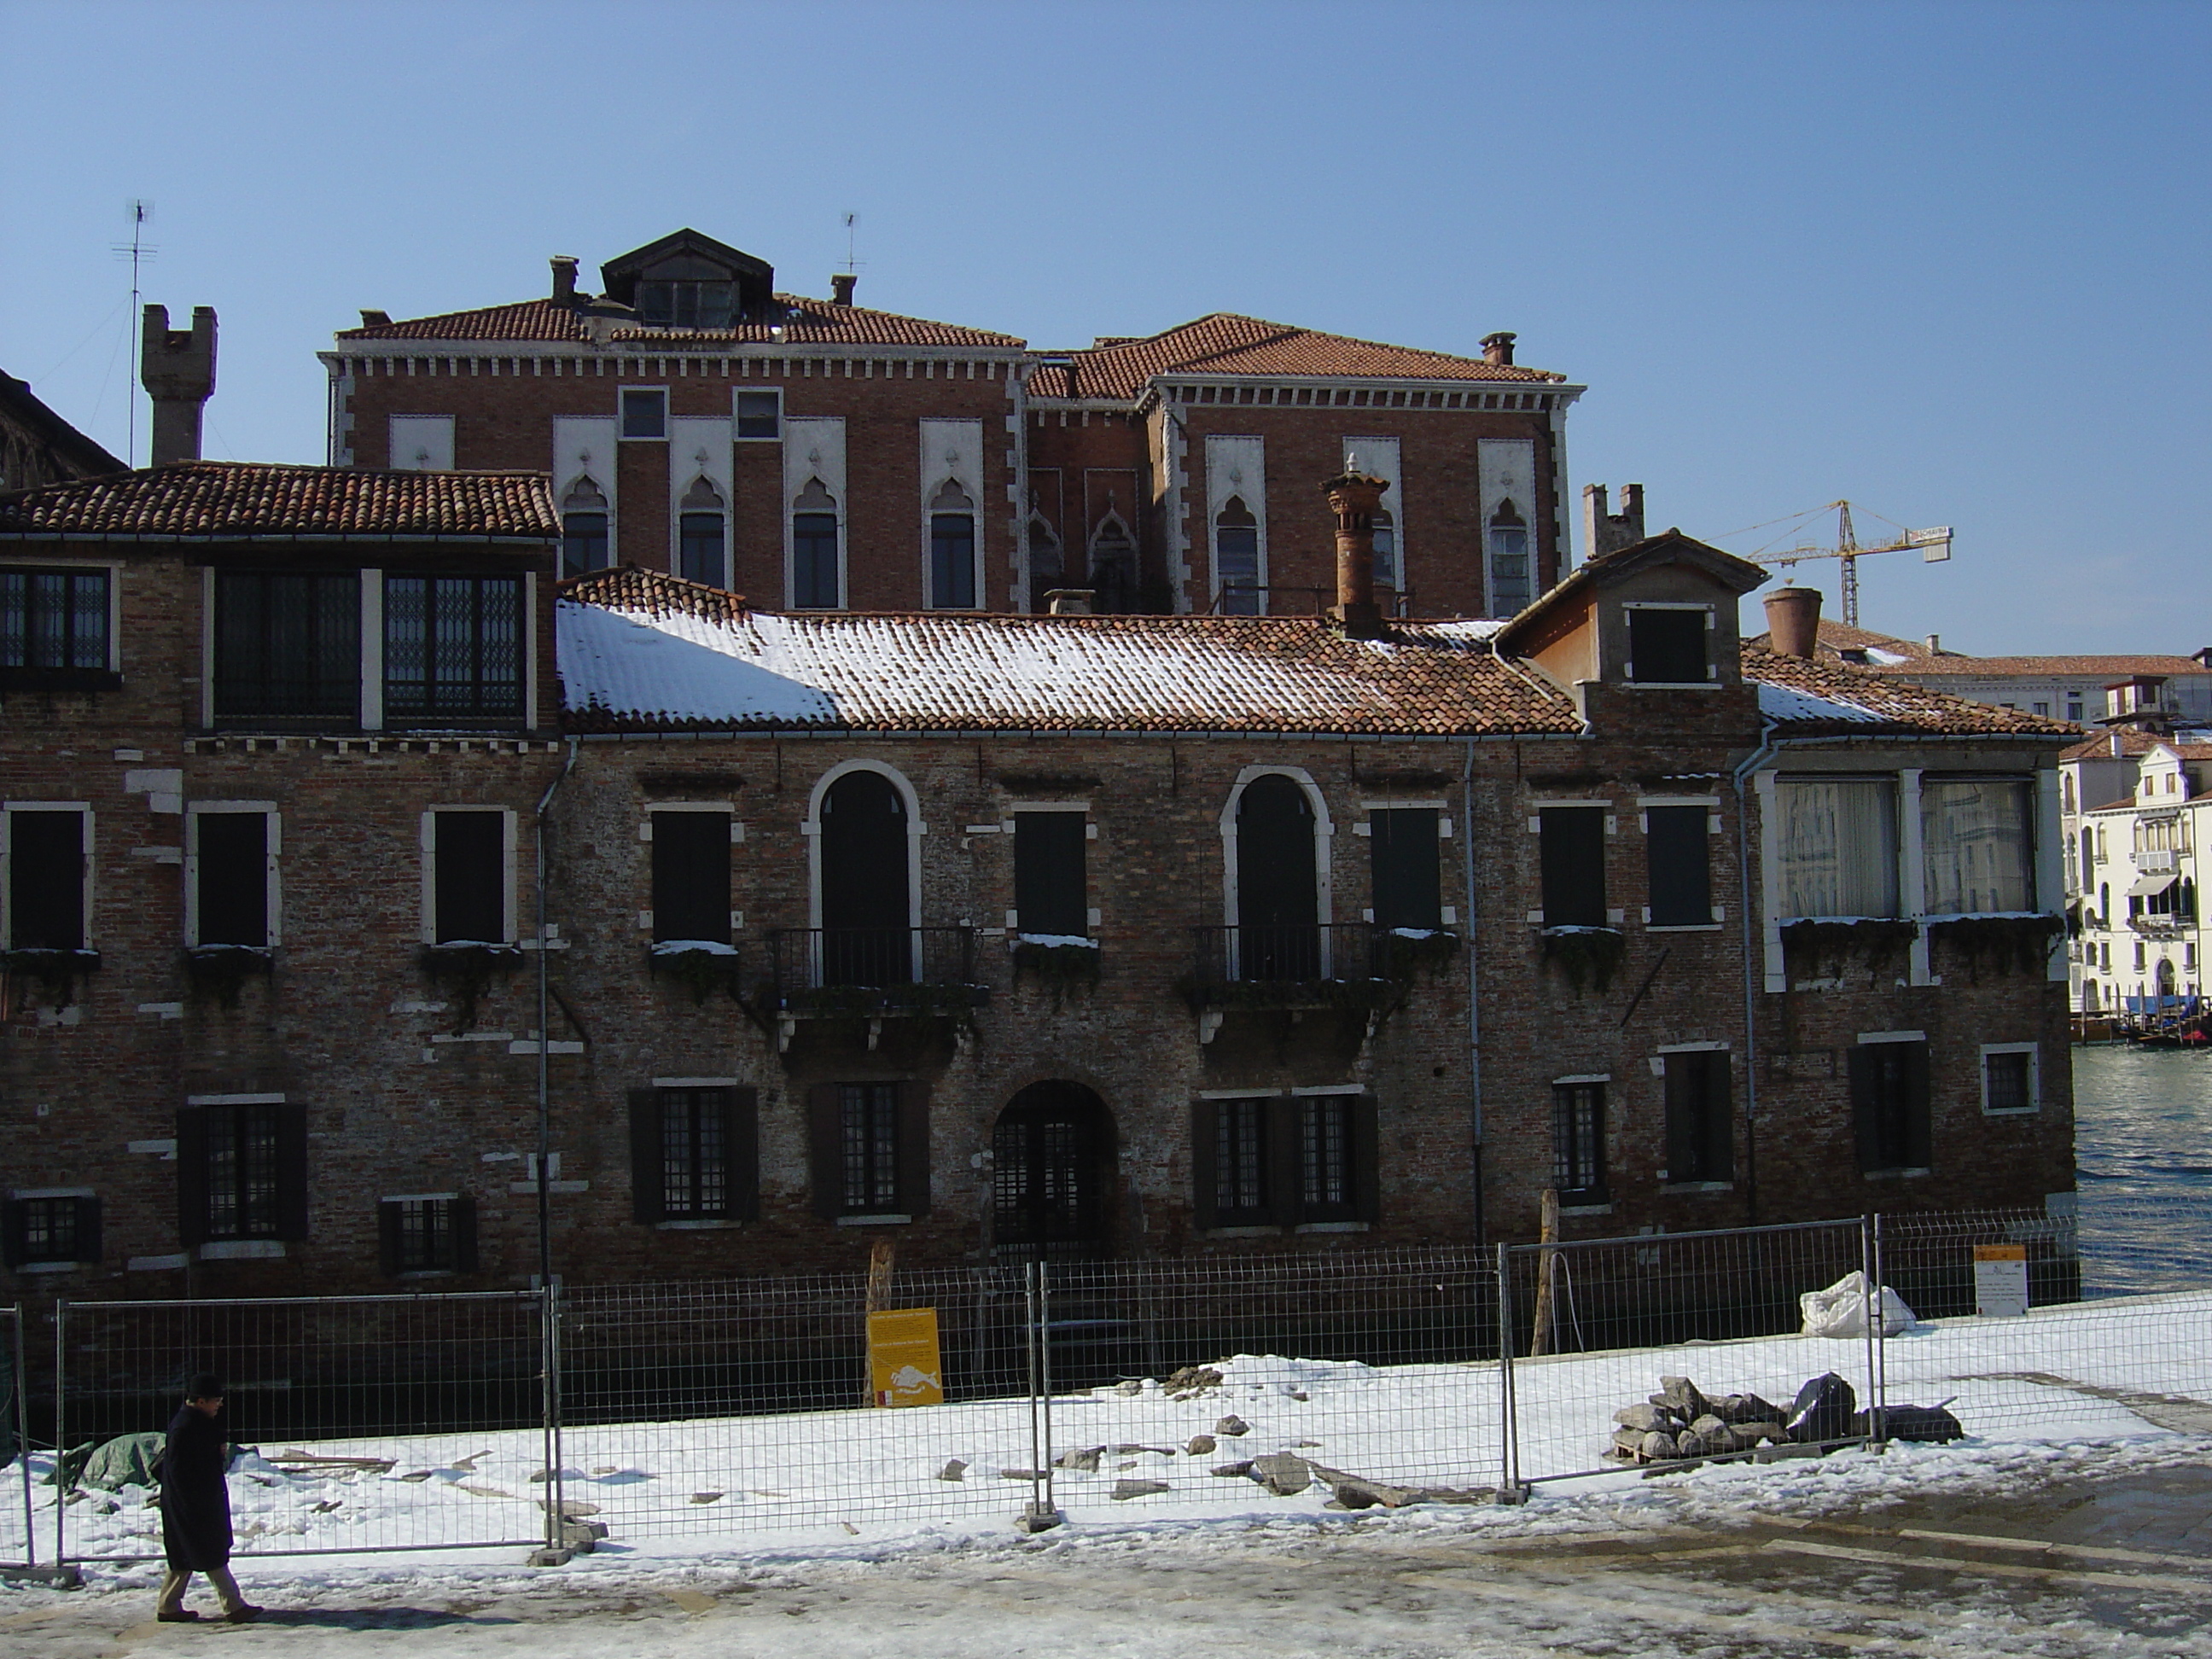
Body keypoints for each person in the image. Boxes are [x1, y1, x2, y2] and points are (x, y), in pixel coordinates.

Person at [155, 1374, 260, 1624]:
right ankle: (233, 1605)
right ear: (201, 1401)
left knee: (185, 1554)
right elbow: (182, 1471)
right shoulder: (187, 1428)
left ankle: (168, 1606)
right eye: (216, 1400)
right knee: (209, 1552)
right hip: (193, 1504)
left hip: (192, 1502)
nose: (219, 1405)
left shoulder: (195, 1424)